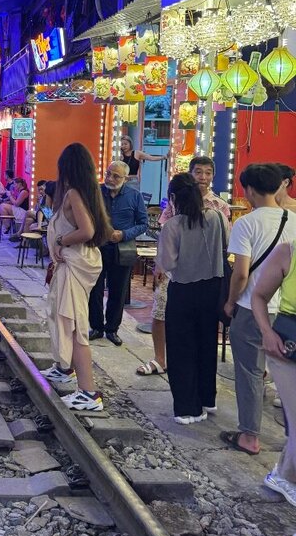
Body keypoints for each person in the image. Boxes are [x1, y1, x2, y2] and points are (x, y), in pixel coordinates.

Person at [222, 163, 296, 454]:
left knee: (250, 372)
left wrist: (230, 302)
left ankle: (250, 436)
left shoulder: (246, 223)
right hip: (288, 310)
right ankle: (291, 440)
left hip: (254, 308)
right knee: (289, 378)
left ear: (249, 190)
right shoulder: (294, 220)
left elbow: (241, 273)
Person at [137, 155, 230, 377]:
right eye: (199, 172)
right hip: (172, 269)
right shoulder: (175, 201)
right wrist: (159, 265)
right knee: (160, 312)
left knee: (197, 321)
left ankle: (191, 363)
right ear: (190, 173)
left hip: (203, 272)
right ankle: (160, 358)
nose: (203, 177)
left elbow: (225, 242)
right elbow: (165, 231)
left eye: (208, 173)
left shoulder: (219, 207)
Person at [41, 145, 110, 412]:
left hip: (74, 265)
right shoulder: (86, 192)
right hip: (74, 263)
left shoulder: (73, 194)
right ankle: (64, 368)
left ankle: (88, 392)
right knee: (68, 318)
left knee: (75, 325)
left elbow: (87, 230)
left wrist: (60, 240)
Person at [155, 173, 226, 424]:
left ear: (173, 197)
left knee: (181, 348)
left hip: (183, 290)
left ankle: (188, 408)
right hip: (213, 290)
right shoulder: (217, 217)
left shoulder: (173, 226)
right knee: (207, 344)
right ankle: (207, 398)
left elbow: (167, 263)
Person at [250, 238, 296, 507]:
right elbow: (259, 295)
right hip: (287, 349)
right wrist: (267, 332)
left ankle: (283, 474)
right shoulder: (288, 251)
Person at [88, 160, 148, 346]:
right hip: (97, 247)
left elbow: (143, 223)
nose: (110, 179)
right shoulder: (96, 192)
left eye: (116, 176)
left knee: (118, 291)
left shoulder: (134, 196)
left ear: (125, 178)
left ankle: (112, 329)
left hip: (122, 250)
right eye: (108, 174)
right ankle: (96, 326)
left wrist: (123, 234)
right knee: (95, 290)